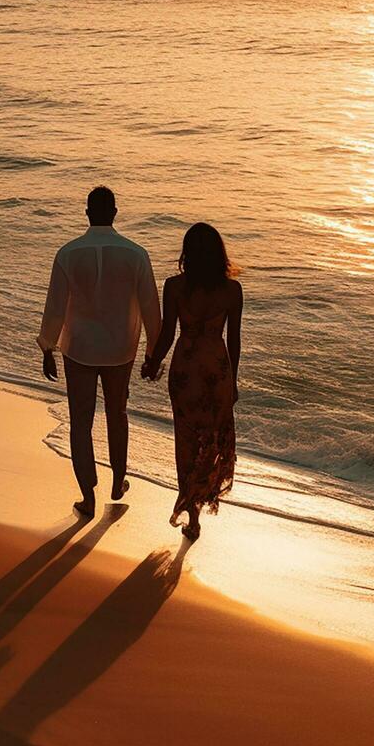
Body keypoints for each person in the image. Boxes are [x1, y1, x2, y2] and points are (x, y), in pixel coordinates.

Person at [38, 186, 161, 517]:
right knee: (117, 414)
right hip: (121, 347)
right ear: (115, 213)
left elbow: (55, 307)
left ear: (87, 213)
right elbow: (151, 307)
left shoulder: (68, 253)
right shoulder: (136, 254)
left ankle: (87, 495)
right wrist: (154, 353)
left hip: (78, 346)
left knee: (81, 421)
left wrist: (47, 346)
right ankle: (118, 479)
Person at [141, 223, 241, 541]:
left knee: (186, 441)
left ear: (187, 253)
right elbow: (235, 341)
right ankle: (203, 495)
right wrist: (233, 381)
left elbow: (169, 333)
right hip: (217, 371)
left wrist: (153, 362)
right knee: (213, 440)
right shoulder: (231, 290)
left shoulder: (174, 287)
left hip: (185, 371)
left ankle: (192, 512)